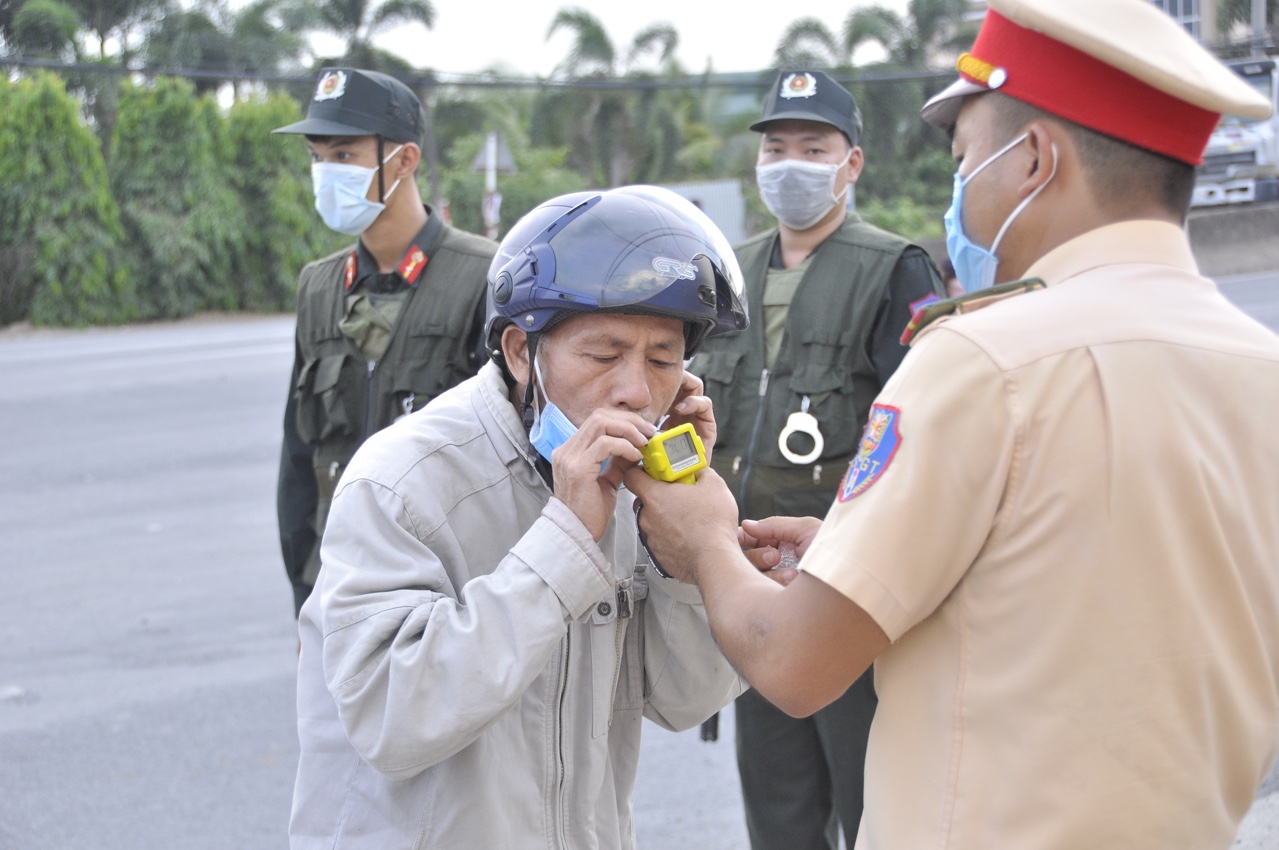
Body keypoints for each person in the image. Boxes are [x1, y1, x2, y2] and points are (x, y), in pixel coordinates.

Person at [625, 1, 1279, 848]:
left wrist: (704, 537)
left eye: (967, 160)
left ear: (1036, 159)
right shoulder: (1259, 368)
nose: (957, 192)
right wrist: (854, 549)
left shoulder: (983, 360)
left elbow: (790, 661)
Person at [288, 186, 749, 849]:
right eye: (601, 355)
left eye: (662, 360)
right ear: (517, 351)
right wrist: (564, 542)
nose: (635, 391)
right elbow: (391, 717)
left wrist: (686, 555)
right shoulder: (401, 481)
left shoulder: (631, 488)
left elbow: (684, 699)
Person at [688, 68, 943, 850]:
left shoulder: (893, 267)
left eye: (812, 146)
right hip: (754, 587)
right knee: (778, 810)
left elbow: (921, 438)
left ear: (850, 163)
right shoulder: (724, 272)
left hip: (848, 593)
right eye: (775, 148)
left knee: (874, 806)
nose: (789, 162)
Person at [273, 67, 497, 616]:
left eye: (344, 156)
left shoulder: (482, 275)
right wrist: (305, 592)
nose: (326, 172)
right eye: (317, 157)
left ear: (404, 160)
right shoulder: (320, 286)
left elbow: (511, 454)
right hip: (339, 582)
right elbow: (298, 457)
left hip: (447, 583)